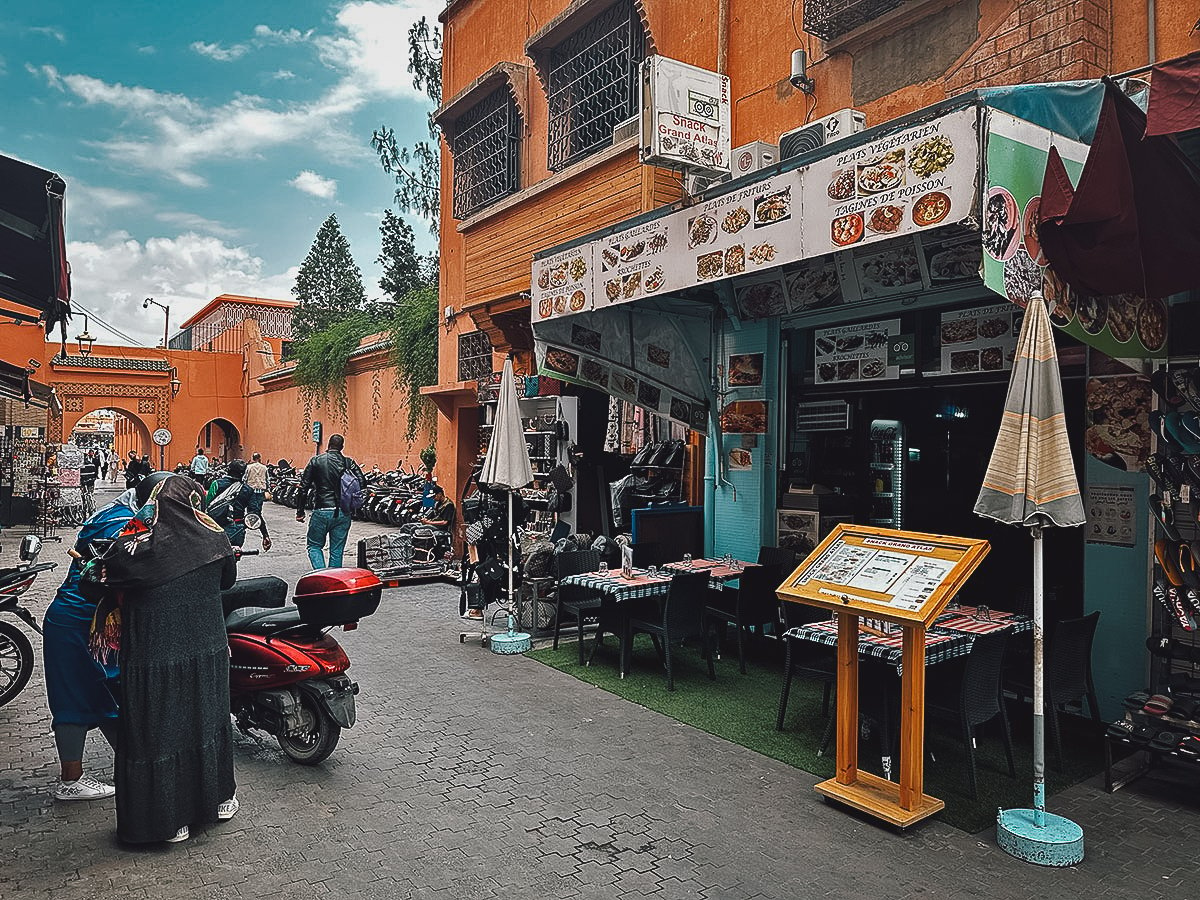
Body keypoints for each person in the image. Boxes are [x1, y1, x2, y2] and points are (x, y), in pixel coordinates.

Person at [88, 473, 238, 844]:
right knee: (207, 720)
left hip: (155, 655)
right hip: (207, 651)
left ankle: (170, 822)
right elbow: (228, 582)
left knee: (158, 731)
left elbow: (93, 579)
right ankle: (218, 800)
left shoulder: (134, 549)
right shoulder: (215, 537)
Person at [42, 487, 138, 801]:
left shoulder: (111, 515)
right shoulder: (123, 527)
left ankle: (84, 776)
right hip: (85, 623)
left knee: (87, 696)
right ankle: (132, 772)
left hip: (70, 619)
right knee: (107, 694)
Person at [296, 433, 364, 569]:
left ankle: (321, 575)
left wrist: (300, 511)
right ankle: (334, 579)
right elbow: (362, 481)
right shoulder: (348, 462)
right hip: (343, 512)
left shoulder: (316, 461)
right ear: (342, 447)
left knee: (314, 546)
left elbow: (303, 488)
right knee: (337, 551)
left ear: (328, 445)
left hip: (321, 509)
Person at [205, 459, 271, 551]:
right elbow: (255, 514)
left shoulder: (216, 484)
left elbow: (206, 506)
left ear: (228, 470)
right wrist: (265, 535)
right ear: (243, 474)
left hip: (215, 527)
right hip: (237, 530)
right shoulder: (248, 490)